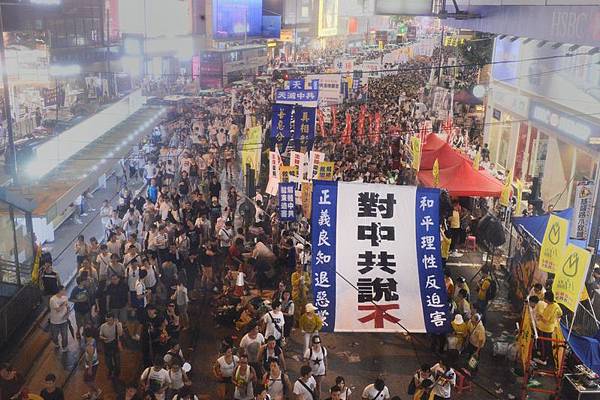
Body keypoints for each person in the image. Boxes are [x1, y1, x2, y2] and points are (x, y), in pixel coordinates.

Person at [535, 291, 563, 367]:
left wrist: (539, 315)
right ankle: (545, 355)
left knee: (543, 343)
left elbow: (545, 319)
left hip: (544, 328)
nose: (543, 299)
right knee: (547, 343)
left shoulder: (550, 308)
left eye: (544, 298)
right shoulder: (556, 305)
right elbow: (560, 313)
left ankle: (543, 359)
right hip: (551, 328)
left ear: (547, 299)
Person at [99, 312, 123, 378]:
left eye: (110, 320)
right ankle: (111, 370)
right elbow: (100, 335)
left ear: (113, 319)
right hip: (107, 345)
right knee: (108, 361)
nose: (109, 322)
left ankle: (117, 372)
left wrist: (118, 324)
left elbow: (120, 334)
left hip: (115, 344)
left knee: (117, 360)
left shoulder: (118, 324)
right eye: (107, 320)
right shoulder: (103, 326)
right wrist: (103, 338)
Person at [70, 276, 92, 340]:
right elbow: (71, 299)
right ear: (81, 282)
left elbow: (89, 296)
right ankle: (78, 332)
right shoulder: (75, 290)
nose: (85, 281)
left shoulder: (86, 288)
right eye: (84, 281)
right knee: (79, 323)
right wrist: (79, 300)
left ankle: (85, 333)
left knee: (87, 323)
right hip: (78, 310)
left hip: (86, 309)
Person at [48, 285, 69, 352]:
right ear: (60, 291)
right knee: (54, 336)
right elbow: (58, 309)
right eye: (64, 290)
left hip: (64, 321)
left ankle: (64, 347)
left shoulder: (65, 297)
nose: (65, 291)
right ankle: (56, 343)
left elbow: (67, 307)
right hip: (55, 322)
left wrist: (67, 314)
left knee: (65, 335)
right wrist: (64, 303)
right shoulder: (53, 300)